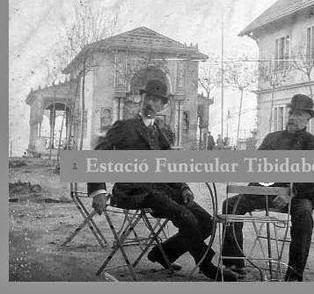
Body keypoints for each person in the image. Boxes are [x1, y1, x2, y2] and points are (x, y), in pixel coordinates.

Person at [88, 79, 237, 282]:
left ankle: (163, 254)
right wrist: (99, 191)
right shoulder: (124, 127)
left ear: (163, 105)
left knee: (206, 222)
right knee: (184, 215)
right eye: (148, 97)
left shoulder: (162, 132)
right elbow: (97, 155)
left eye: (157, 100)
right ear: (141, 99)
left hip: (160, 190)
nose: (152, 103)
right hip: (132, 192)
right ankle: (207, 266)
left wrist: (183, 187)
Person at [221, 94, 314, 281]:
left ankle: (294, 275)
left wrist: (291, 192)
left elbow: (313, 179)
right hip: (266, 192)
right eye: (292, 112)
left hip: (297, 196)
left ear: (309, 118)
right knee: (230, 205)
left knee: (304, 215)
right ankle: (234, 264)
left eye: (300, 114)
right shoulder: (272, 138)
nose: (293, 117)